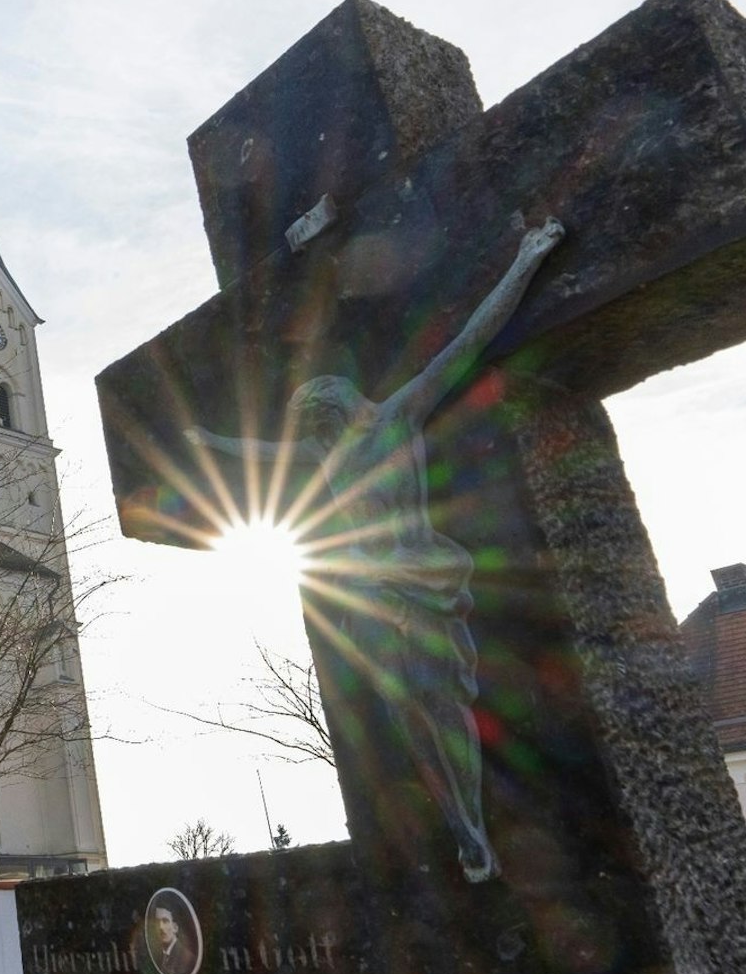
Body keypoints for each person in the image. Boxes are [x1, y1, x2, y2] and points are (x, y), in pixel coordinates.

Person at [186, 217, 566, 883]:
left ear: (340, 401)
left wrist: (528, 257)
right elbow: (260, 456)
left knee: (442, 708)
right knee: (412, 720)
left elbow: (471, 337)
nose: (320, 425)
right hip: (370, 602)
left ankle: (473, 820)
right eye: (314, 422)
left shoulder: (399, 414)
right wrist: (206, 444)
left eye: (320, 413)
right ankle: (464, 828)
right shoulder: (322, 455)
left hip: (422, 584)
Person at [151, 901, 199, 974]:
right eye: (157, 922)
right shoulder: (158, 956)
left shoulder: (187, 958)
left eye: (165, 921)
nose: (161, 927)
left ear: (175, 928)